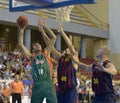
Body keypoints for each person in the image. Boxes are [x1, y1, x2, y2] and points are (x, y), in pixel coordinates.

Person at [38, 19, 78, 103]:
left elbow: (70, 46)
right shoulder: (61, 58)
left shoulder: (74, 61)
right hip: (60, 90)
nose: (67, 50)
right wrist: (42, 30)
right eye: (66, 49)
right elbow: (50, 45)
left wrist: (62, 32)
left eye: (68, 50)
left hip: (70, 92)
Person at [18, 18, 57, 103]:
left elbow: (54, 38)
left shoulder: (47, 53)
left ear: (41, 47)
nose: (37, 45)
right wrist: (21, 30)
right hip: (37, 85)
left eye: (38, 44)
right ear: (33, 50)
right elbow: (21, 45)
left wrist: (44, 26)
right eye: (35, 45)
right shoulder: (32, 57)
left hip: (48, 84)